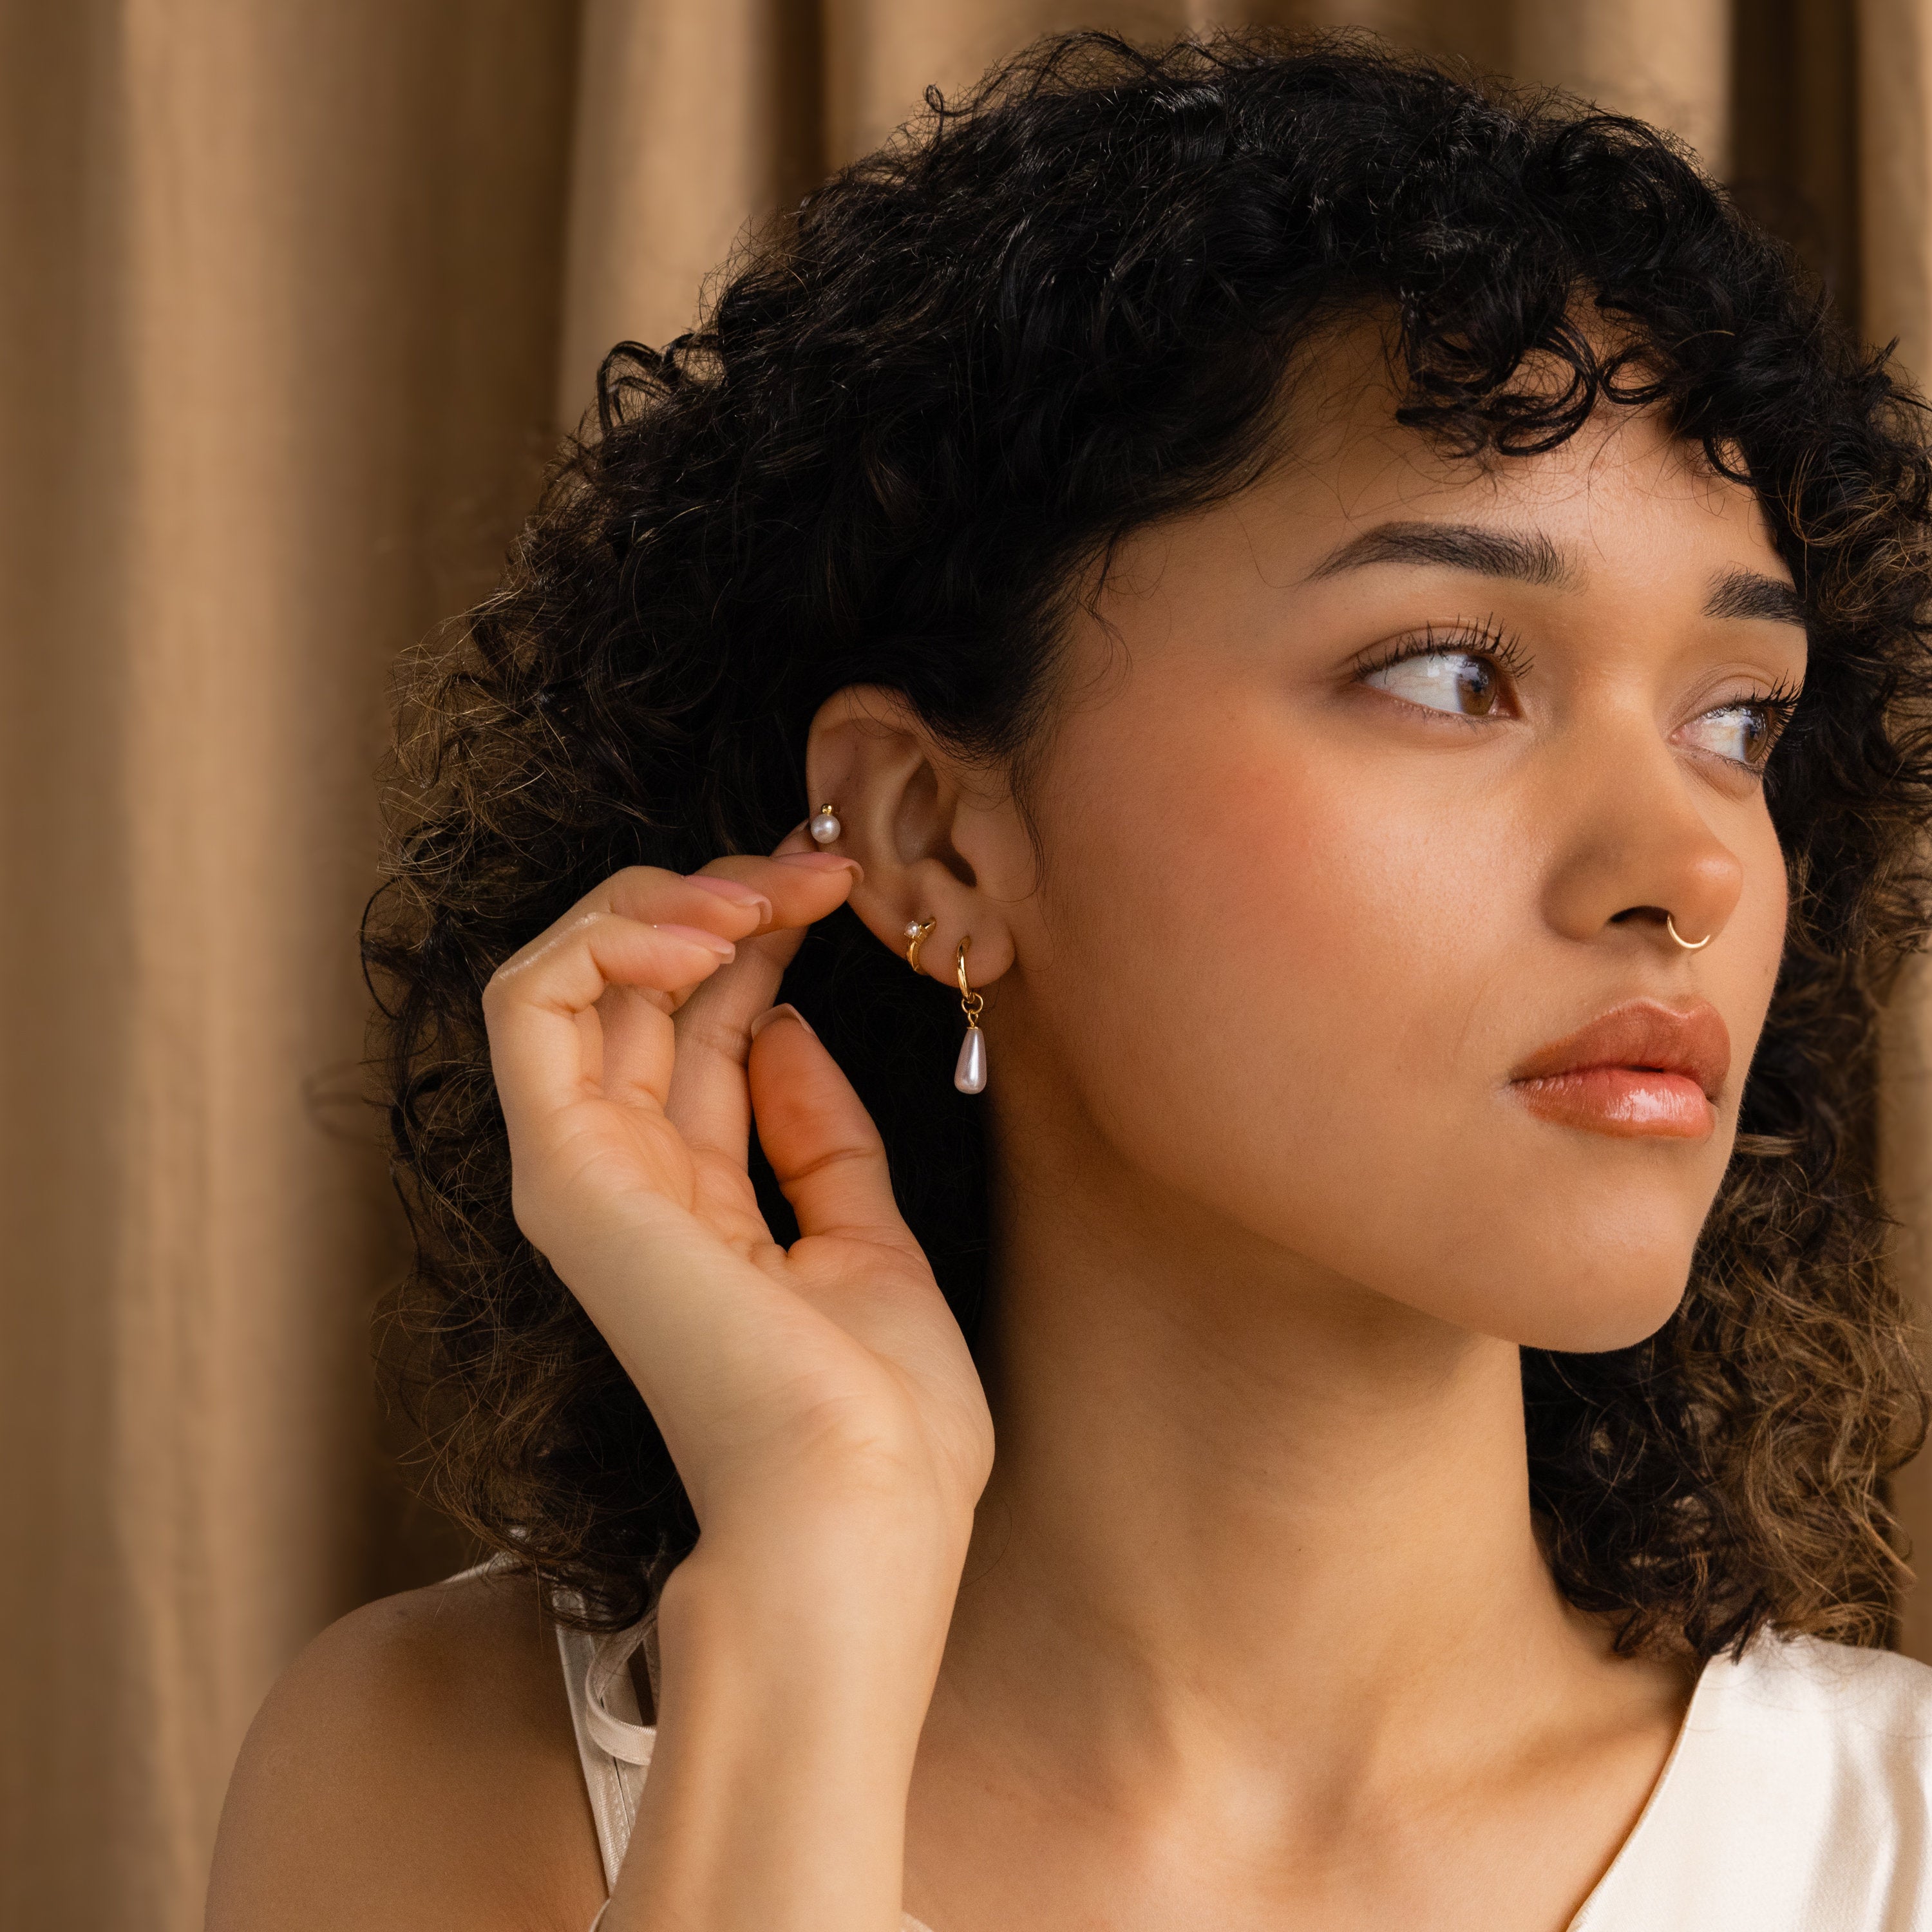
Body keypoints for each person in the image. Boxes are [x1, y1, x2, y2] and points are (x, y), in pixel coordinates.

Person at [205, 30, 1932, 1932]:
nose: (1690, 867)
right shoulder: (449, 1778)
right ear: (939, 835)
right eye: (1454, 672)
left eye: (1738, 718)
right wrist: (816, 1594)